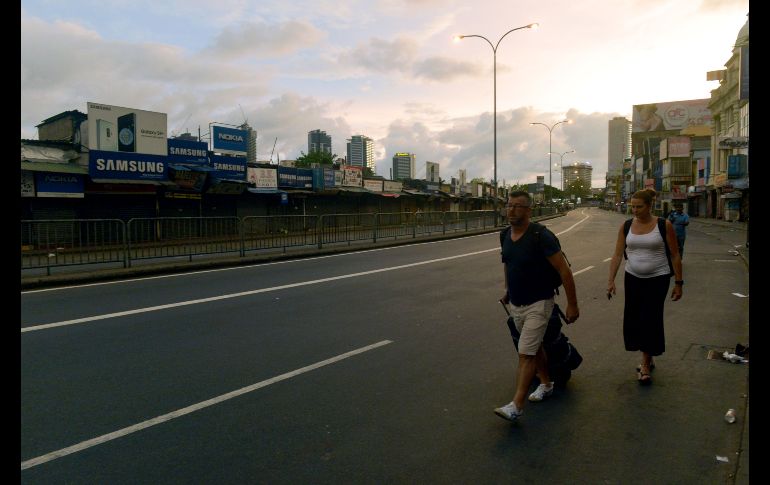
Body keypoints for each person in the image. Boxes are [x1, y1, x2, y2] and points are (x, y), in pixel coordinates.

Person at [494, 191, 580, 422]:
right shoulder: (504, 235)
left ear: (529, 210)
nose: (511, 210)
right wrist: (508, 290)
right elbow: (508, 263)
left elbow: (564, 271)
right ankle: (546, 383)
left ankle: (516, 405)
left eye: (517, 206)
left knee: (526, 353)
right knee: (535, 346)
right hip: (517, 303)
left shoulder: (541, 236)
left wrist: (572, 305)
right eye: (509, 205)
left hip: (539, 302)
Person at [607, 189, 683, 385]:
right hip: (632, 277)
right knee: (634, 318)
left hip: (658, 278)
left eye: (639, 207)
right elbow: (617, 254)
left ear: (650, 206)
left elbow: (675, 255)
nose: (635, 210)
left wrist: (679, 283)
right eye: (632, 206)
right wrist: (610, 280)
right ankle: (648, 355)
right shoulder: (626, 226)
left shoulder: (663, 225)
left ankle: (645, 364)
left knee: (650, 318)